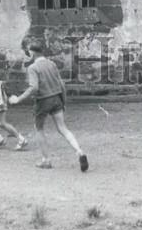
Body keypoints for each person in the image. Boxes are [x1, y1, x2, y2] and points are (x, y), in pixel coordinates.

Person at [8, 40, 87, 171]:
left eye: (28, 52)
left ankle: (46, 160)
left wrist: (18, 99)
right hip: (57, 98)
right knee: (63, 128)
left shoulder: (32, 68)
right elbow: (62, 84)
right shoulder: (52, 64)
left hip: (43, 101)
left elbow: (34, 87)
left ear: (32, 53)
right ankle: (79, 151)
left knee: (39, 128)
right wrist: (63, 102)